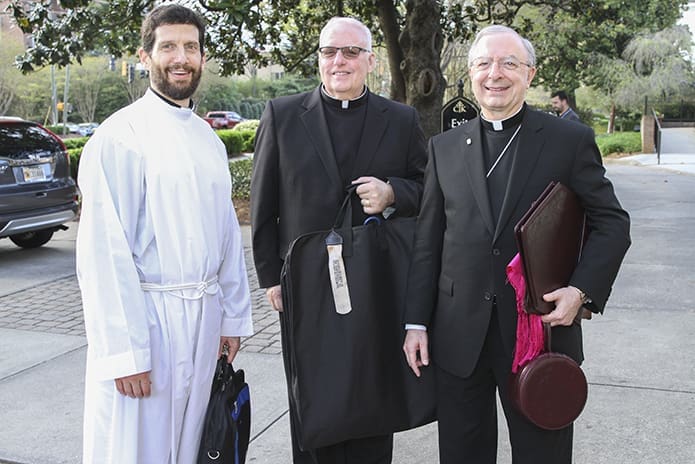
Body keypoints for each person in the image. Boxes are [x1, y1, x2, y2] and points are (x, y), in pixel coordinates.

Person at [403, 25, 630, 463]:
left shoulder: (569, 140)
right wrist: (416, 322)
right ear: (471, 73)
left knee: (542, 453)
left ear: (530, 74)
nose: (496, 74)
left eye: (509, 63)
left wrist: (581, 290)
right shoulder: (444, 148)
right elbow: (428, 243)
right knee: (462, 453)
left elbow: (612, 223)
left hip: (539, 331)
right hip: (458, 333)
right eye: (484, 63)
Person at [76, 5, 253, 463]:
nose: (181, 57)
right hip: (149, 328)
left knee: (195, 443)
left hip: (204, 321)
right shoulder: (120, 136)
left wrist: (231, 317)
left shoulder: (209, 140)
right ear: (144, 55)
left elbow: (228, 238)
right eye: (169, 46)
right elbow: (103, 253)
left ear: (202, 57)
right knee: (140, 448)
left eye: (190, 47)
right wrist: (125, 353)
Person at [251, 16, 427, 464]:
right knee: (312, 395)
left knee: (371, 391)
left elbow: (429, 189)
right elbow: (263, 202)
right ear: (319, 60)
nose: (339, 61)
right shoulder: (283, 114)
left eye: (351, 52)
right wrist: (271, 276)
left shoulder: (402, 119)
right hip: (305, 282)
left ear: (370, 60)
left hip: (375, 281)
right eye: (330, 52)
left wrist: (392, 192)